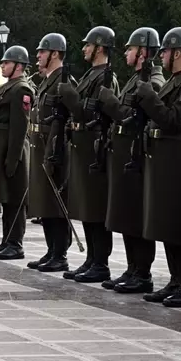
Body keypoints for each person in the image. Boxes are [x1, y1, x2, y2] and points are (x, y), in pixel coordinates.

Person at [135, 27, 181, 306]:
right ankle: (176, 280)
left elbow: (174, 121)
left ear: (176, 53)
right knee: (168, 224)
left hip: (178, 161)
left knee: (180, 224)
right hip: (165, 160)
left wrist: (148, 97)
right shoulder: (176, 80)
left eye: (165, 51)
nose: (161, 55)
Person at [97, 27, 164, 294]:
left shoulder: (154, 82)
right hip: (124, 154)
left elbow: (132, 117)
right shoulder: (135, 79)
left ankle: (142, 272)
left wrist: (110, 102)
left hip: (137, 155)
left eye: (130, 48)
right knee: (126, 216)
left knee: (135, 217)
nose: (126, 52)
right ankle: (132, 268)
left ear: (143, 52)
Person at [57, 27, 119, 283]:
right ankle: (91, 259)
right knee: (85, 206)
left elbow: (94, 114)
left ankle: (100, 262)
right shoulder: (90, 75)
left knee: (95, 207)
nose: (84, 49)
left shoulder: (106, 77)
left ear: (100, 47)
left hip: (95, 147)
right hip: (81, 145)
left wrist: (70, 98)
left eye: (88, 45)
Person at [0, 46, 34, 259]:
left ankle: (15, 243)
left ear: (18, 66)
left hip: (12, 151)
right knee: (6, 198)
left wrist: (13, 158)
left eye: (6, 63)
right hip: (1, 149)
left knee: (14, 199)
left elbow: (20, 127)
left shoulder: (21, 89)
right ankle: (7, 240)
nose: (2, 66)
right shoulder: (8, 87)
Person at [27, 33, 72, 272]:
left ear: (54, 54)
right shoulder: (47, 81)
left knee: (55, 204)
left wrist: (55, 151)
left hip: (54, 149)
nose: (38, 57)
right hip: (40, 146)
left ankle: (60, 253)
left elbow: (66, 120)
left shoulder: (63, 81)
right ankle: (50, 250)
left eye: (42, 52)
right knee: (45, 202)